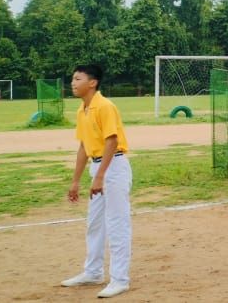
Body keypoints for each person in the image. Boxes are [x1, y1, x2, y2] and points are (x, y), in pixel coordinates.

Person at [60, 65, 133, 298]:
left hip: (114, 167)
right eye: (72, 78)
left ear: (92, 83)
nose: (73, 82)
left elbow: (111, 141)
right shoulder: (83, 110)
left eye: (78, 78)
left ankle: (120, 279)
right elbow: (83, 146)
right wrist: (75, 181)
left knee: (116, 224)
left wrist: (101, 176)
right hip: (98, 167)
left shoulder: (104, 106)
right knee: (94, 223)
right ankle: (93, 272)